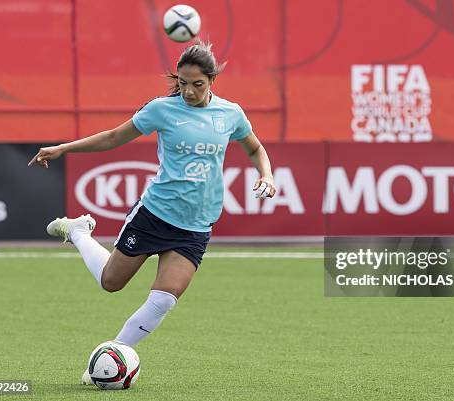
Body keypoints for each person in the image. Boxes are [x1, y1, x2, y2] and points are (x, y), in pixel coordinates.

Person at [28, 40, 276, 383]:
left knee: (163, 301)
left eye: (197, 84)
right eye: (183, 83)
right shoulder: (162, 109)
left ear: (212, 81)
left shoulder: (230, 114)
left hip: (196, 226)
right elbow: (115, 136)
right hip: (155, 214)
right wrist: (63, 149)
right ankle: (79, 231)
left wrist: (266, 173)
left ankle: (104, 366)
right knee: (111, 283)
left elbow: (255, 148)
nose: (189, 91)